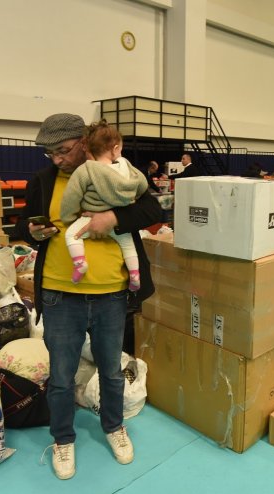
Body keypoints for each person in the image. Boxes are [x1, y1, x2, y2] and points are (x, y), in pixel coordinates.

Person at [15, 113, 163, 481]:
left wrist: (111, 220)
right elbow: (22, 223)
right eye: (50, 154)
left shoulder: (120, 172)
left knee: (111, 371)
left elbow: (152, 209)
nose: (57, 160)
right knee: (62, 376)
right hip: (59, 294)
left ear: (84, 142)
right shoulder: (45, 181)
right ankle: (63, 438)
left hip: (111, 292)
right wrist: (33, 230)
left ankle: (114, 427)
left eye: (63, 151)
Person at [60, 120, 148, 291]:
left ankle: (80, 264)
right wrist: (134, 196)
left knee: (72, 235)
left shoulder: (86, 170)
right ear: (115, 148)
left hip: (91, 217)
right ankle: (135, 274)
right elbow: (142, 185)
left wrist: (69, 218)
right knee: (128, 245)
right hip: (119, 221)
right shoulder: (128, 167)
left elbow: (71, 196)